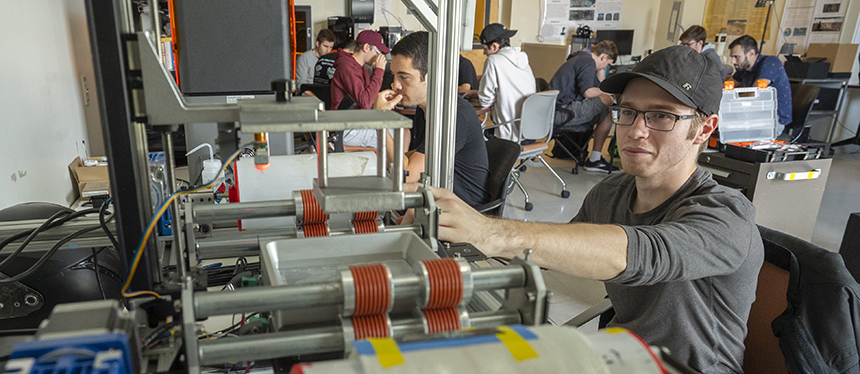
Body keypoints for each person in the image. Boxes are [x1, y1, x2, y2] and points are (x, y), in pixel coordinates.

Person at [415, 46, 764, 373]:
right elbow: (560, 249)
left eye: (661, 116)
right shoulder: (612, 191)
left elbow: (642, 253)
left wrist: (490, 232)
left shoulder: (727, 214)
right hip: (619, 356)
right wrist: (455, 233)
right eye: (627, 112)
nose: (636, 131)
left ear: (704, 128)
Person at [373, 31, 490, 208]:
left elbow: (407, 177)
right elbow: (411, 159)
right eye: (394, 76)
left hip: (462, 211)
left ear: (432, 77)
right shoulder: (425, 108)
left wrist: (380, 121)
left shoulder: (453, 117)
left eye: (404, 77)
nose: (395, 85)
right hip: (434, 198)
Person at [550, 40, 618, 172]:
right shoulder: (587, 62)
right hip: (562, 112)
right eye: (607, 64)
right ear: (603, 57)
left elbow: (599, 86)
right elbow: (588, 92)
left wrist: (600, 71)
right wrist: (612, 94)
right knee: (608, 100)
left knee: (607, 111)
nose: (605, 68)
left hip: (561, 109)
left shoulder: (583, 59)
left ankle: (595, 159)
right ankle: (594, 159)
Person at [331, 30, 390, 151]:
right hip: (347, 128)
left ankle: (393, 168)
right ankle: (396, 169)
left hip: (356, 122)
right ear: (367, 47)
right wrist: (379, 71)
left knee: (399, 131)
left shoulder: (361, 68)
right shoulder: (347, 67)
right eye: (378, 52)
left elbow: (369, 98)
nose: (380, 57)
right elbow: (365, 102)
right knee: (399, 135)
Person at [477, 23, 537, 142]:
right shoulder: (522, 58)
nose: (484, 53)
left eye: (485, 49)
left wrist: (479, 93)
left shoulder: (493, 61)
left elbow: (485, 101)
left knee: (477, 136)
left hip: (509, 134)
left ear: (494, 46)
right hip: (531, 131)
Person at [729, 35, 792, 133]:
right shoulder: (743, 67)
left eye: (736, 57)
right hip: (753, 114)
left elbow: (754, 93)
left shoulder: (771, 63)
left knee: (727, 122)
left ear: (751, 53)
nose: (733, 61)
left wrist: (728, 101)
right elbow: (728, 85)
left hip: (773, 120)